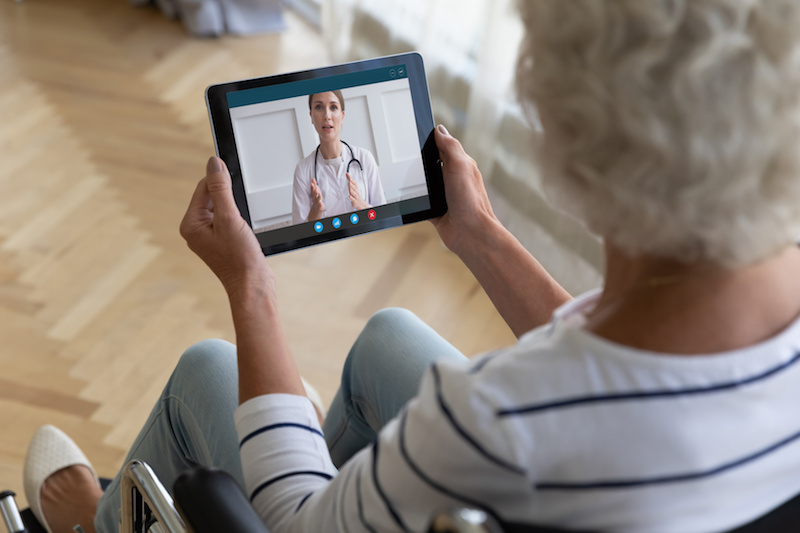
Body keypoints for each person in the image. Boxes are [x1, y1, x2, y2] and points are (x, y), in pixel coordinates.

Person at [22, 0, 800, 531]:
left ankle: (99, 521)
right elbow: (637, 365)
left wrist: (251, 284)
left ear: (573, 145)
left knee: (207, 368)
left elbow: (299, 522)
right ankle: (332, 456)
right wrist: (483, 235)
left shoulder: (497, 420)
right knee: (389, 333)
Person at [291, 90, 385, 224]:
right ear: (311, 116)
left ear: (342, 115)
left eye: (333, 107)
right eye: (319, 107)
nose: (327, 116)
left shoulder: (365, 158)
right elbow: (299, 234)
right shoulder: (302, 170)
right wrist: (316, 211)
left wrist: (361, 205)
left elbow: (384, 218)